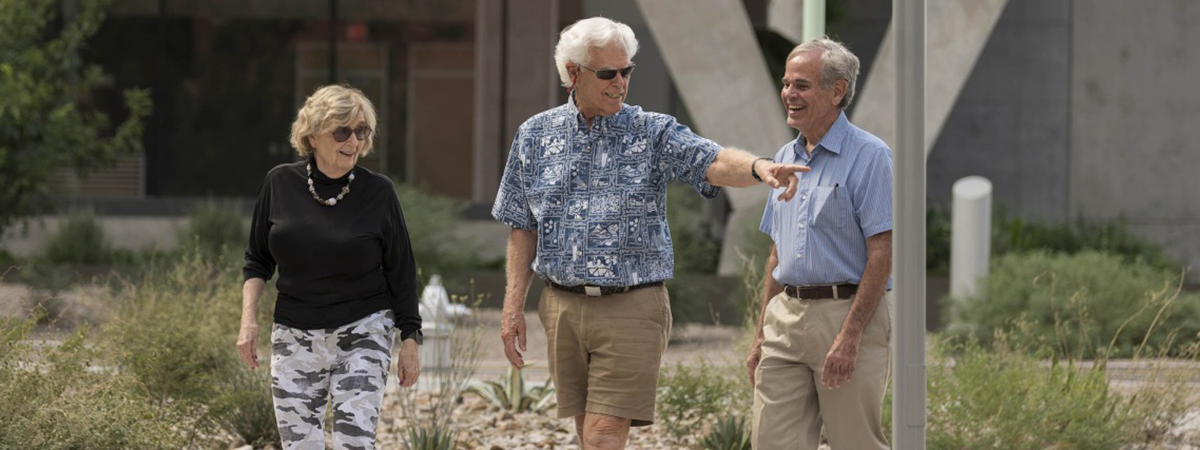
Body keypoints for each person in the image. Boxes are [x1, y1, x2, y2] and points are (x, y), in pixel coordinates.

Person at [492, 17, 809, 450]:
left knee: (605, 435)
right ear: (573, 73)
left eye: (627, 70)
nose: (621, 83)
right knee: (587, 432)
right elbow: (521, 226)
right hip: (560, 306)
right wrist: (512, 309)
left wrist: (760, 168)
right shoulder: (534, 135)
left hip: (632, 306)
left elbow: (712, 160)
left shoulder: (652, 131)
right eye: (608, 73)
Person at [237, 84, 423, 449]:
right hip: (294, 335)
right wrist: (248, 321)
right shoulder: (279, 183)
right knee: (299, 445)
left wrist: (411, 340)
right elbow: (257, 261)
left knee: (354, 443)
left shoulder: (379, 192)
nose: (353, 140)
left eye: (361, 131)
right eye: (342, 131)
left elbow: (401, 272)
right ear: (313, 135)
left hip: (363, 332)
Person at [744, 38, 894, 450]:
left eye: (802, 85)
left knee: (855, 442)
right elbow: (777, 253)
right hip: (785, 320)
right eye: (787, 83)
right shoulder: (783, 157)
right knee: (772, 442)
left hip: (846, 315)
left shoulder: (871, 156)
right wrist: (760, 335)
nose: (789, 94)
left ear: (837, 90)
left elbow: (883, 254)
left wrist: (850, 336)